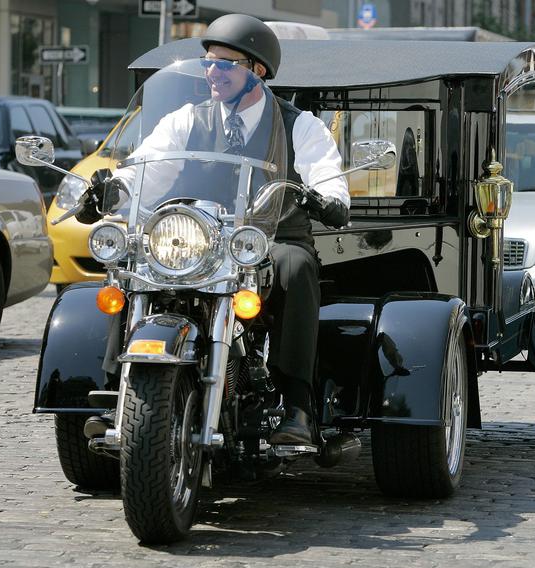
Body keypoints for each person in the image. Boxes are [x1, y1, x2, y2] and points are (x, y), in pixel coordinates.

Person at [77, 14, 350, 447]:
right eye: (208, 62)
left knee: (297, 268)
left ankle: (296, 403)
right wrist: (113, 191)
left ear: (256, 71)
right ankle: (119, 392)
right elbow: (149, 167)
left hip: (268, 238)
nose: (212, 72)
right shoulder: (188, 119)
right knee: (134, 262)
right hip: (198, 238)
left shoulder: (300, 125)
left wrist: (326, 197)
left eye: (225, 64)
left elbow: (330, 180)